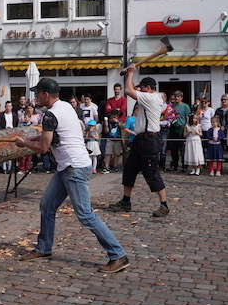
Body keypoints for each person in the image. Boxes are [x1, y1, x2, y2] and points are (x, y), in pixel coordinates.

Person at [16, 78, 129, 273]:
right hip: (68, 166)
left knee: (85, 215)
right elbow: (54, 135)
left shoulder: (50, 114)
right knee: (47, 205)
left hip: (74, 168)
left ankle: (118, 255)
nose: (35, 97)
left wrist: (24, 144)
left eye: (37, 93)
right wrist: (29, 138)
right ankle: (44, 248)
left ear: (45, 94)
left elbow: (43, 147)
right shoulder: (66, 107)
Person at [109, 71, 171, 217]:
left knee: (151, 173)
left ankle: (164, 205)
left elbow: (128, 90)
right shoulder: (152, 96)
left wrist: (130, 72)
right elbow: (135, 90)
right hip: (140, 139)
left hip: (149, 140)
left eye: (143, 88)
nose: (140, 90)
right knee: (129, 169)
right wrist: (138, 86)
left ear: (148, 88)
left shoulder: (151, 97)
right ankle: (126, 201)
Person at [167, 91, 191, 172]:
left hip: (181, 128)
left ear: (181, 97)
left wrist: (186, 128)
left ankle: (184, 165)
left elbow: (187, 117)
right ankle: (175, 165)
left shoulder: (185, 106)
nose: (176, 98)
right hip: (173, 127)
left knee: (182, 149)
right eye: (175, 96)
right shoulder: (171, 106)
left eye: (178, 96)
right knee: (173, 149)